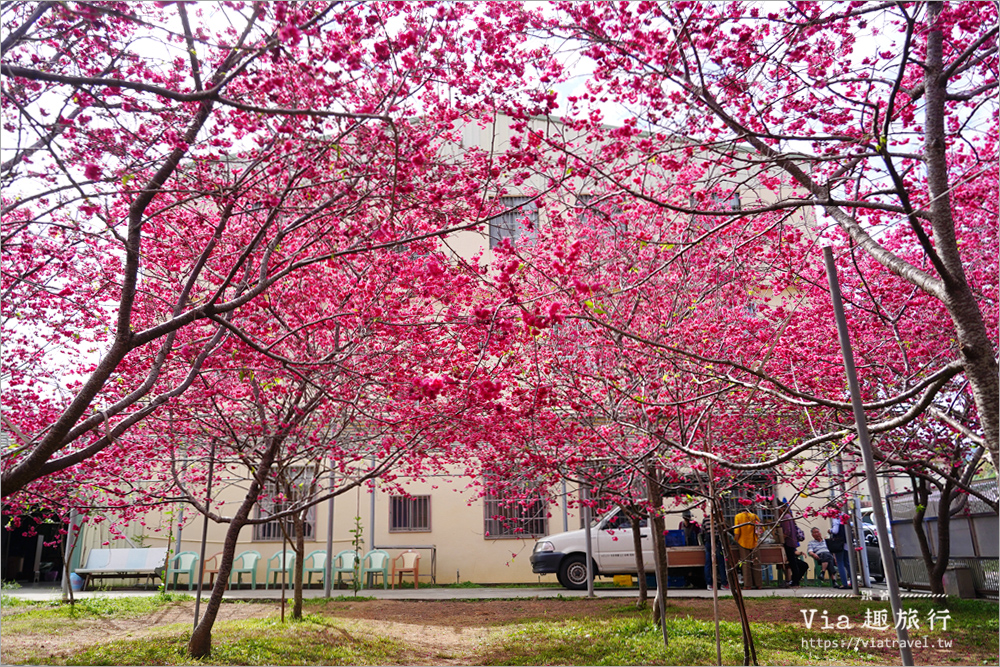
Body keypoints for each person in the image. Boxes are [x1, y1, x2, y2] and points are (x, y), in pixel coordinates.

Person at [733, 504, 762, 589]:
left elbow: (737, 531)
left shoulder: (738, 517)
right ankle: (758, 584)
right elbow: (761, 529)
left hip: (743, 542)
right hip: (754, 542)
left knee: (746, 564)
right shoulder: (754, 516)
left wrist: (736, 540)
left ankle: (747, 585)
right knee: (756, 562)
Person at [779, 506, 804, 587]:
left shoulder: (785, 518)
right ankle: (795, 581)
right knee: (793, 562)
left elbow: (787, 531)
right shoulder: (789, 517)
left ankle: (795, 581)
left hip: (788, 542)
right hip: (792, 542)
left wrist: (781, 538)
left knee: (793, 563)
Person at [702, 514, 729, 590]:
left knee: (708, 563)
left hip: (708, 542)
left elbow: (702, 531)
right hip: (718, 543)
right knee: (721, 563)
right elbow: (725, 530)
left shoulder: (705, 519)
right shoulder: (719, 519)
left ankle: (709, 584)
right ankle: (724, 583)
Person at [827, 516, 851, 589]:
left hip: (839, 543)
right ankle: (853, 582)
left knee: (840, 563)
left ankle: (844, 583)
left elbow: (835, 531)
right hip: (846, 542)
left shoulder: (835, 518)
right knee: (847, 562)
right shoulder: (844, 516)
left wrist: (830, 530)